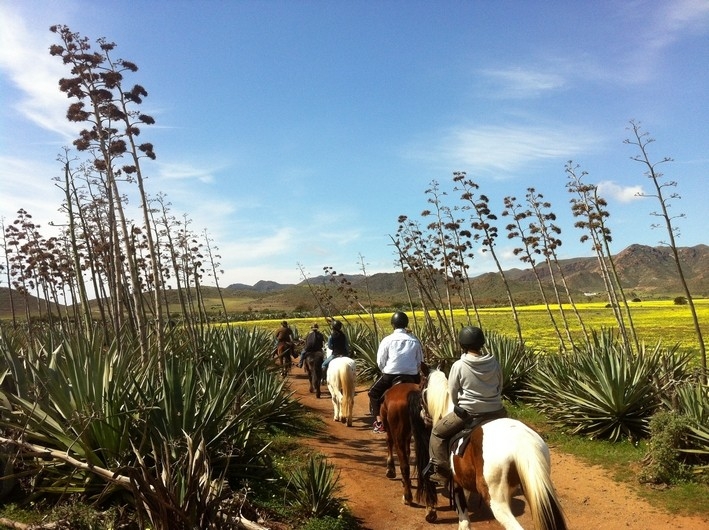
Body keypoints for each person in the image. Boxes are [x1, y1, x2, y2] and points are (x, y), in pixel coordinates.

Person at [426, 326, 506, 490]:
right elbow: (500, 386)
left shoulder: (459, 365)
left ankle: (441, 472)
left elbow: (453, 391)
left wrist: (458, 405)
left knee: (437, 434)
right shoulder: (494, 362)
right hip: (497, 411)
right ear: (482, 343)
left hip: (470, 413)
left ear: (462, 344)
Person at [368, 311, 423, 434]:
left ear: (393, 324)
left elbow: (380, 361)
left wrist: (385, 371)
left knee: (373, 393)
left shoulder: (387, 340)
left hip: (390, 375)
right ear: (406, 324)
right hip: (412, 376)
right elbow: (420, 361)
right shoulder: (414, 341)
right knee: (425, 395)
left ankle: (379, 422)